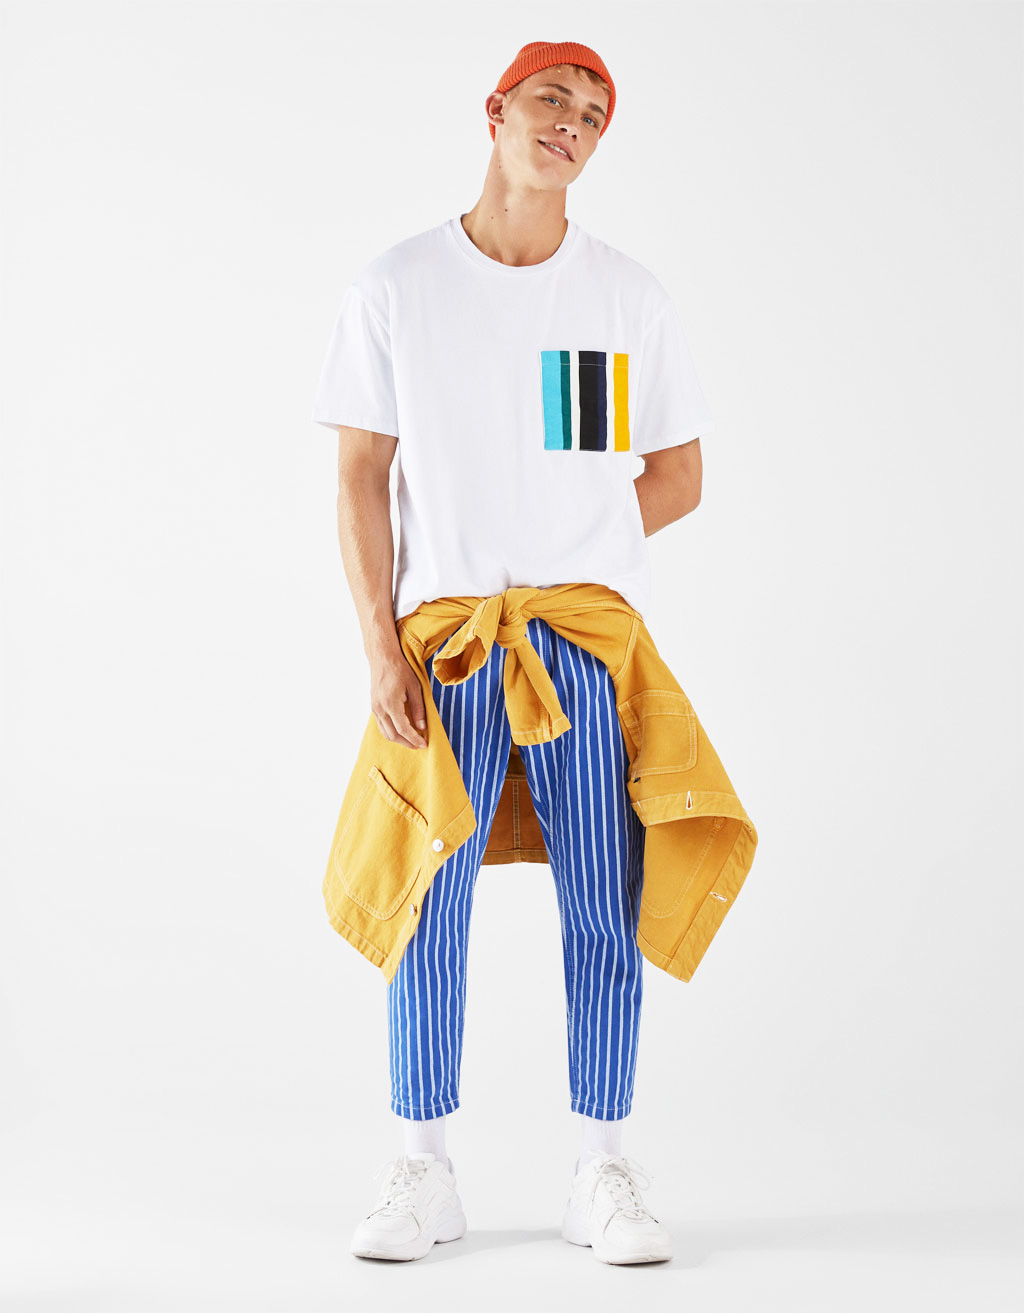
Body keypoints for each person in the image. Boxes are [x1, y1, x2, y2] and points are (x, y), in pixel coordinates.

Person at [310, 40, 716, 1265]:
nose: (571, 123)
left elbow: (678, 475)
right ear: (496, 110)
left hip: (582, 648)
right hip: (444, 648)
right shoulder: (398, 285)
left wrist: (572, 546)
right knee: (426, 898)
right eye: (552, 99)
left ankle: (602, 1165)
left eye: (592, 113)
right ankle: (423, 1167)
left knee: (603, 897)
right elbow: (360, 476)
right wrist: (379, 646)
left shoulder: (625, 296)